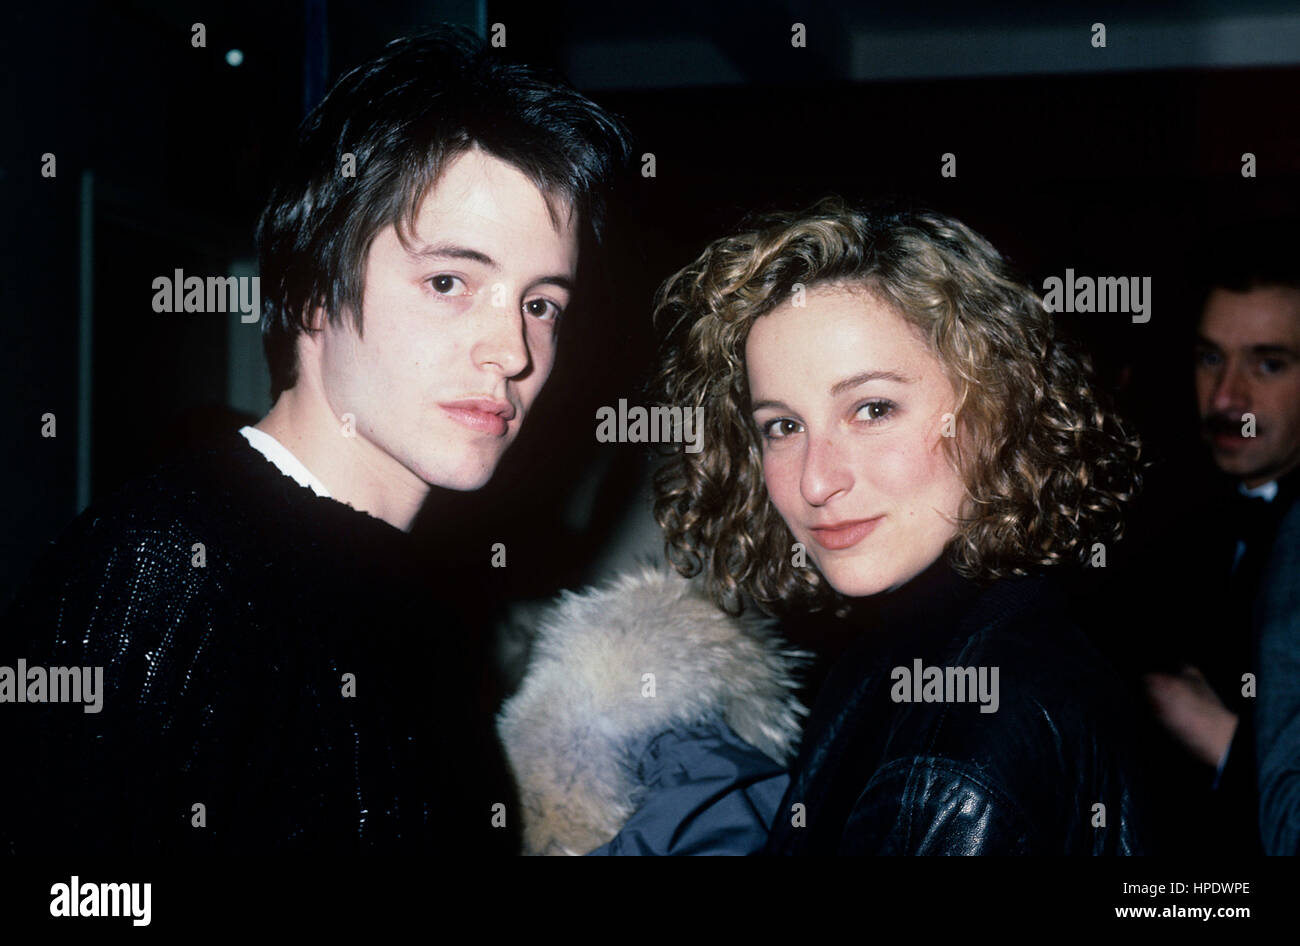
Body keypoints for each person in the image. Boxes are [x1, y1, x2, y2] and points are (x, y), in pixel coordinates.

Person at [0, 26, 630, 854]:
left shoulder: (421, 601)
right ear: (310, 296)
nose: (512, 352)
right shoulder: (164, 572)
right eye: (450, 282)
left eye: (541, 302)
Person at [650, 199, 1152, 854]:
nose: (815, 481)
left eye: (873, 408)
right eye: (782, 425)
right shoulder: (929, 646)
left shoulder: (956, 751)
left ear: (993, 408)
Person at [1143, 221, 1300, 855]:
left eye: (1268, 363)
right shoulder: (1160, 520)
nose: (1228, 395)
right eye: (1211, 357)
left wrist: (1224, 742)